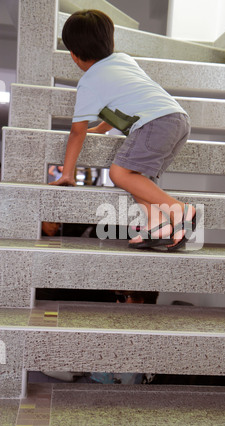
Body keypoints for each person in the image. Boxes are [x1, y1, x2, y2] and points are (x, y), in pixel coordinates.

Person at [49, 9, 197, 251]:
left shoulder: (88, 83)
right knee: (135, 177)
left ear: (74, 56)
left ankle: (181, 211)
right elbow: (127, 98)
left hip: (155, 123)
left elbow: (77, 132)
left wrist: (67, 173)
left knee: (120, 174)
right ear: (110, 41)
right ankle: (157, 226)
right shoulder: (124, 59)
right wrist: (102, 128)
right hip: (177, 119)